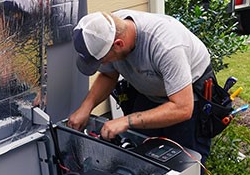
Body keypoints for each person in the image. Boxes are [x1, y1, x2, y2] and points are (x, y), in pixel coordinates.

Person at [67, 10, 216, 162]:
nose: (102, 64)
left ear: (118, 44)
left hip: (189, 98)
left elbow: (182, 108)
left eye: (102, 60)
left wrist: (126, 121)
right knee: (140, 157)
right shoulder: (105, 30)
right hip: (150, 94)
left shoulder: (166, 46)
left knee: (183, 165)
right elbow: (108, 75)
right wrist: (86, 107)